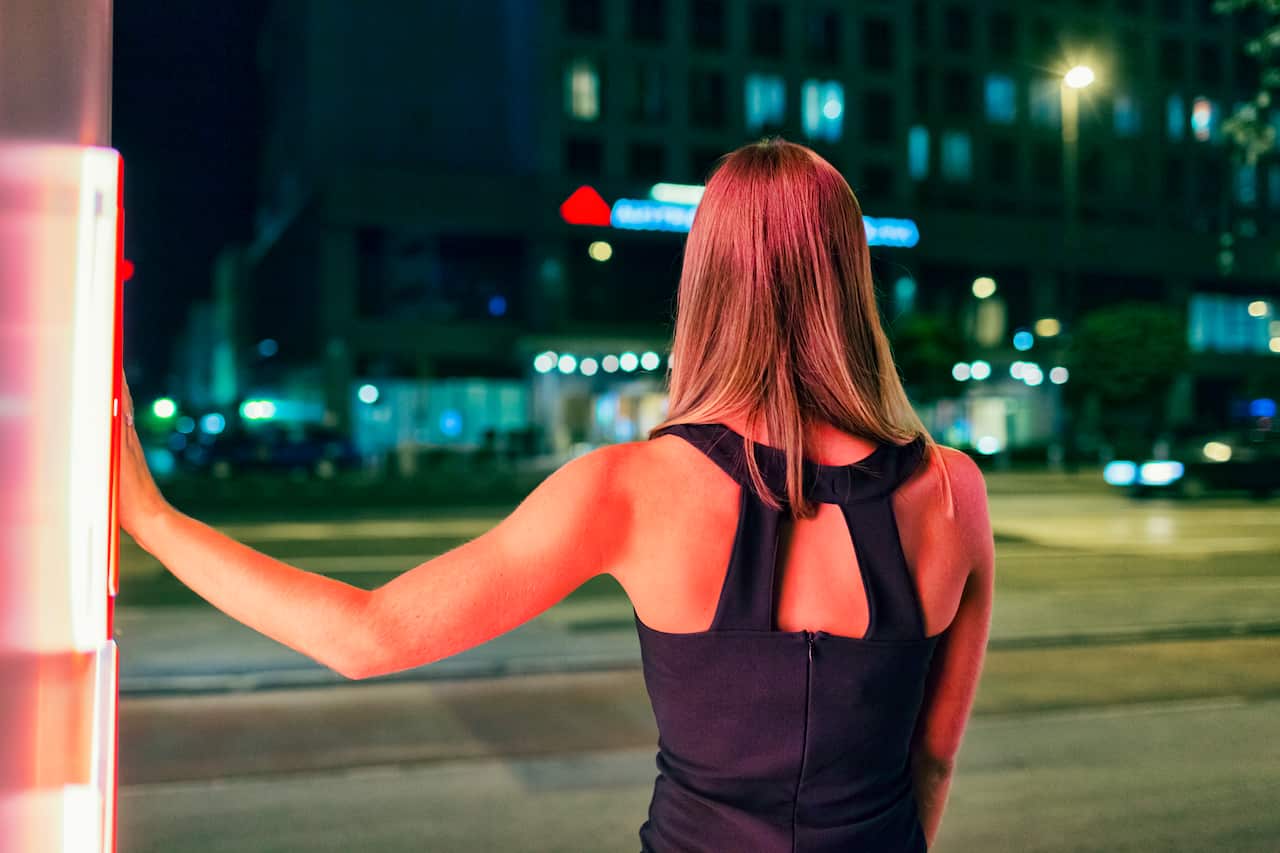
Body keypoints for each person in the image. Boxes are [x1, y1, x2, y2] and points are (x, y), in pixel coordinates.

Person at [117, 137, 993, 851]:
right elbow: (935, 759)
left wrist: (154, 521)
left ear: (707, 282)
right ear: (850, 278)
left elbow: (364, 635)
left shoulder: (632, 487)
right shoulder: (953, 492)